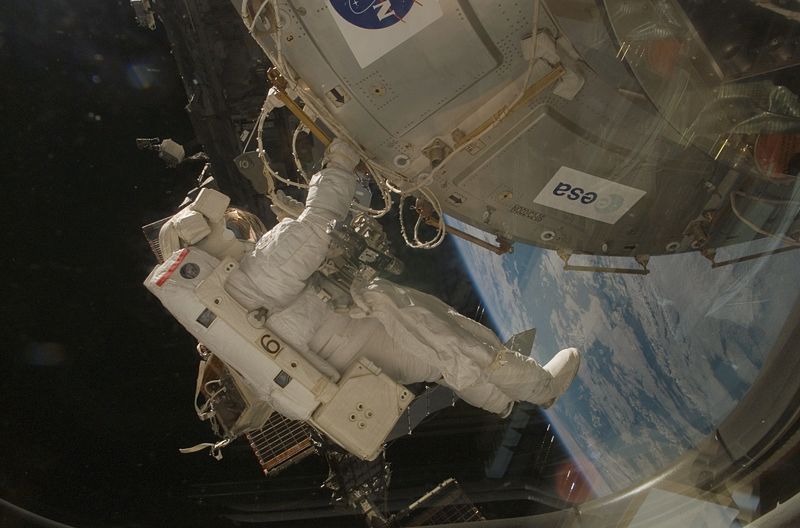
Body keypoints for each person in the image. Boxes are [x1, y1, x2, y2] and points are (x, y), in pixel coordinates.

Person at [147, 139, 580, 421]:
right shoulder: (254, 275)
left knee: (448, 354)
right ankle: (541, 388)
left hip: (352, 355)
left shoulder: (226, 303)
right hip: (365, 331)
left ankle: (502, 400)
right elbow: (316, 226)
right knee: (457, 344)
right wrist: (339, 161)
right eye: (233, 227)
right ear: (212, 241)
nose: (242, 231)